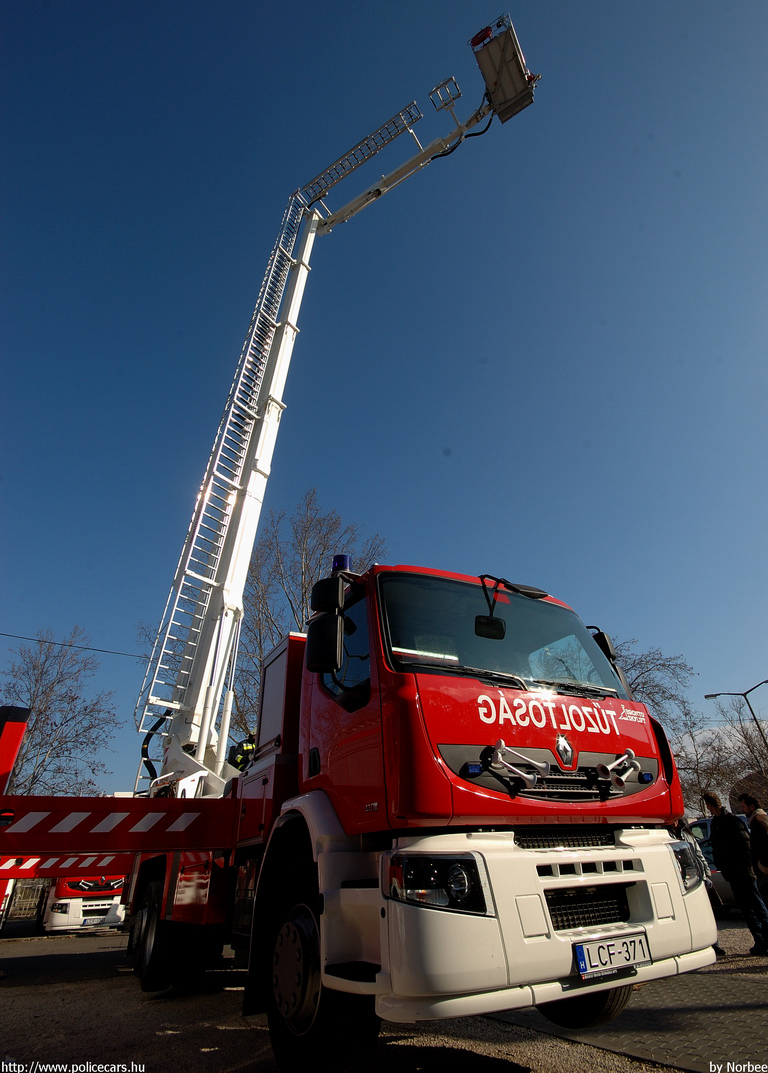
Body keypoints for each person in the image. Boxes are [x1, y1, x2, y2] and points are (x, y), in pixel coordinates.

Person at [703, 791, 768, 955]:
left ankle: (765, 940)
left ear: (710, 805)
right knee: (748, 910)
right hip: (733, 873)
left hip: (744, 873)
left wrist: (746, 869)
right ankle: (760, 941)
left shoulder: (732, 821)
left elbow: (746, 849)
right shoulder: (718, 823)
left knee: (758, 908)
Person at [737, 792, 768, 903]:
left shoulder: (758, 821)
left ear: (752, 807)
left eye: (743, 807)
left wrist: (763, 868)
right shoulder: (762, 818)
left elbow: (763, 847)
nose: (742, 810)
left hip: (764, 872)